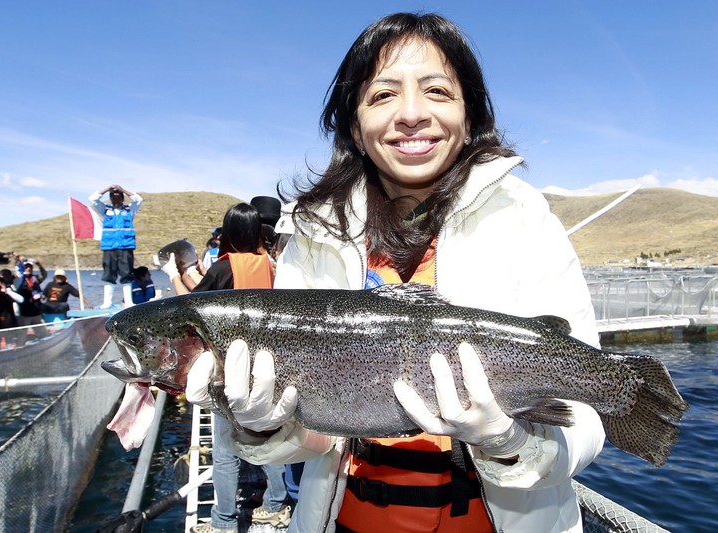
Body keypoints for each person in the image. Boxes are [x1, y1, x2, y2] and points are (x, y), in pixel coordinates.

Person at [187, 13, 604, 533]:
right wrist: (261, 426)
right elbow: (312, 439)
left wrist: (513, 443)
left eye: (436, 91)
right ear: (355, 128)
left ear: (469, 115)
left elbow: (587, 414)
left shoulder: (526, 218)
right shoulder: (315, 236)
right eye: (383, 95)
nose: (411, 113)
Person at [189, 202, 290, 533]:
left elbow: (192, 308)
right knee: (269, 442)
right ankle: (276, 504)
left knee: (225, 452)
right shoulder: (271, 265)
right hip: (267, 369)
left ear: (229, 231)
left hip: (228, 372)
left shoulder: (222, 268)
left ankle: (224, 520)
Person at [89, 184, 143, 308]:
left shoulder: (130, 210)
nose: (116, 199)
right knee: (109, 273)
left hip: (125, 246)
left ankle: (129, 302)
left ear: (122, 198)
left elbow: (139, 199)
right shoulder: (106, 210)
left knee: (127, 273)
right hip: (109, 247)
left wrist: (123, 189)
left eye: (118, 197)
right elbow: (92, 199)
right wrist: (107, 189)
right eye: (113, 197)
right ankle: (107, 302)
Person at [14, 260, 48, 334]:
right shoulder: (19, 279)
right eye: (26, 267)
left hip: (36, 311)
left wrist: (39, 265)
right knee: (22, 333)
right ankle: (20, 345)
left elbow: (44, 275)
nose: (28, 269)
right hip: (24, 312)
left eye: (30, 267)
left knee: (43, 333)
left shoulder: (35, 278)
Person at [0, 269, 23, 347]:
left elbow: (21, 300)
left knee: (10, 344)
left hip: (9, 324)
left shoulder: (8, 291)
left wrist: (7, 291)